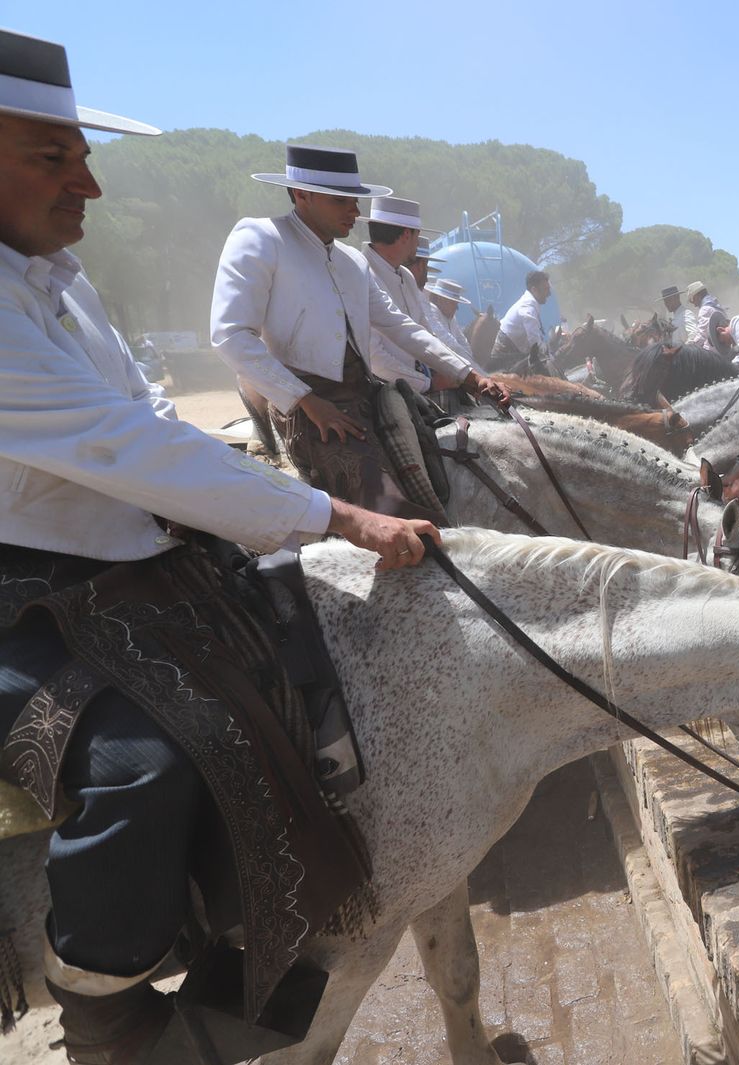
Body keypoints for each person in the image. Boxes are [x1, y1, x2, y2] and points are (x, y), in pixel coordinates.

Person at [0, 30, 439, 1063]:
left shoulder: (57, 277)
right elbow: (120, 436)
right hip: (25, 585)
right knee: (138, 759)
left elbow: (140, 401)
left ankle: (251, 921)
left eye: (82, 154)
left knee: (299, 642)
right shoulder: (254, 241)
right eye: (52, 156)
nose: (89, 185)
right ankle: (106, 1015)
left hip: (128, 547)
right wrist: (335, 511)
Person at [211, 145, 510, 516]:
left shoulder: (352, 261)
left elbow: (397, 325)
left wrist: (468, 376)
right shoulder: (261, 239)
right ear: (302, 194)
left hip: (368, 395)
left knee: (457, 459)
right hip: (309, 408)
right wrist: (306, 400)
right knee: (395, 512)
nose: (355, 211)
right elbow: (230, 335)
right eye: (342, 201)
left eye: (355, 200)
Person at [358, 195, 462, 393]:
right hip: (380, 392)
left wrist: (460, 372)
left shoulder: (405, 276)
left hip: (412, 386)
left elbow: (425, 334)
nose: (417, 244)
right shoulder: (361, 274)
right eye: (417, 236)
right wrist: (427, 383)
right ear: (406, 235)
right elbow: (374, 357)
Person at [495, 268, 550, 365]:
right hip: (505, 351)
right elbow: (534, 343)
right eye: (545, 289)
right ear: (534, 290)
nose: (549, 294)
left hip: (514, 348)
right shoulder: (528, 308)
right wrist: (548, 353)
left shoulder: (531, 304)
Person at [424, 277, 477, 362]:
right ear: (441, 299)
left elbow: (462, 340)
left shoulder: (451, 318)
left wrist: (471, 360)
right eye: (453, 303)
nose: (457, 308)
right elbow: (447, 341)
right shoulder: (430, 311)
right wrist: (469, 363)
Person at [684, 280, 723, 346]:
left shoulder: (705, 309)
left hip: (712, 350)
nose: (694, 305)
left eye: (692, 300)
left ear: (697, 296)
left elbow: (702, 336)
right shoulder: (715, 304)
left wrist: (688, 347)